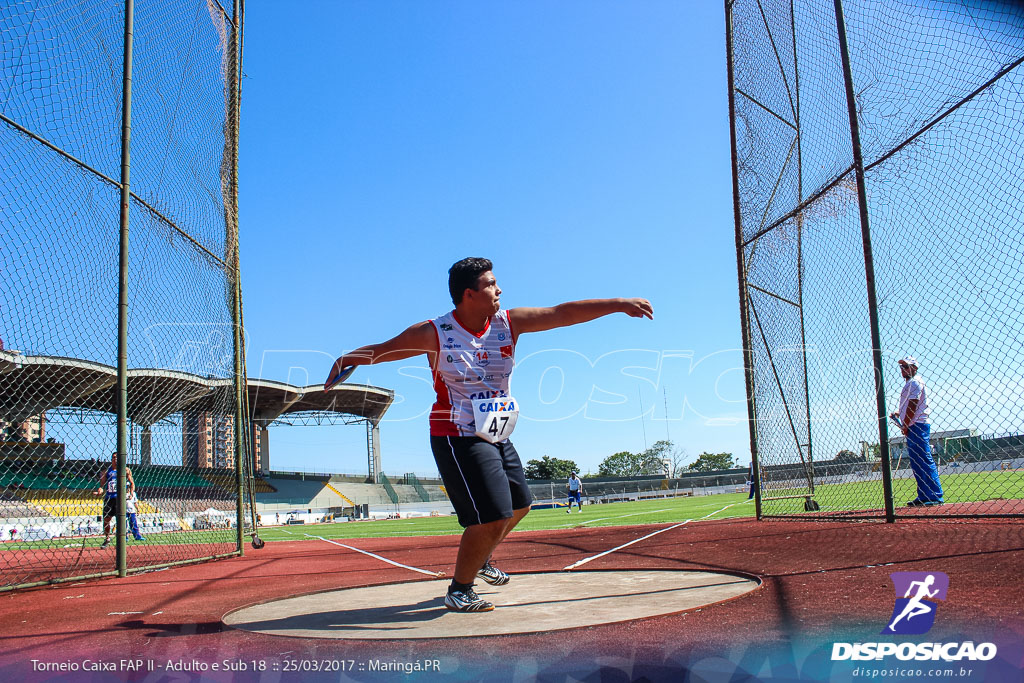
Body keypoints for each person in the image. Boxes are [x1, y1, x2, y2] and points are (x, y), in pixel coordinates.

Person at [325, 257, 652, 612]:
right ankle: (460, 589)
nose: (500, 290)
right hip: (456, 434)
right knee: (491, 515)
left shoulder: (508, 323)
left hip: (495, 432)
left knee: (520, 505)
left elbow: (561, 312)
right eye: (491, 285)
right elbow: (383, 350)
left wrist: (619, 305)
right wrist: (346, 360)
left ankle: (481, 558)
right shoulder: (433, 333)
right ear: (469, 294)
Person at [889, 357, 943, 507]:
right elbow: (910, 405)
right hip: (914, 424)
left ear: (914, 367)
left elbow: (913, 404)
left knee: (923, 459)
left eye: (906, 366)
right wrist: (900, 414)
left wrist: (905, 424)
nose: (903, 369)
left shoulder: (915, 382)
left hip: (917, 425)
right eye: (901, 367)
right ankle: (925, 495)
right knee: (917, 462)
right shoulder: (910, 383)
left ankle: (934, 495)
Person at [92, 451, 137, 548]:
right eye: (113, 457)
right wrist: (99, 491)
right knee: (106, 520)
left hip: (120, 499)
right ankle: (107, 538)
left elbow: (132, 483)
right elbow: (101, 485)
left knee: (120, 519)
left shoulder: (125, 470)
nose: (115, 459)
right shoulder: (106, 472)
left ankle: (121, 540)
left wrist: (131, 493)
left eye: (117, 457)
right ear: (111, 459)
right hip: (109, 498)